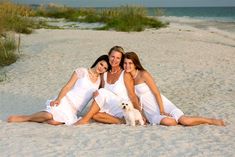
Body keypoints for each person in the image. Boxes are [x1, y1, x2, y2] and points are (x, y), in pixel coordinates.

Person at [123, 51, 225, 126]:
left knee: (184, 121)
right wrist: (142, 115)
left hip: (161, 104)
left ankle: (210, 121)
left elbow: (156, 93)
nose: (127, 66)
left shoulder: (143, 74)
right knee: (170, 122)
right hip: (150, 111)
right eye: (125, 63)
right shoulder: (128, 78)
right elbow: (134, 98)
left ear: (135, 63)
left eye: (130, 63)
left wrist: (162, 110)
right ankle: (172, 119)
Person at [7, 55, 110, 125]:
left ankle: (45, 118)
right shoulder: (82, 71)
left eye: (105, 68)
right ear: (97, 61)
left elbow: (100, 96)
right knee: (48, 116)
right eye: (101, 64)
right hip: (65, 101)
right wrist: (59, 99)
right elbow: (67, 86)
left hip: (74, 110)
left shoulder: (100, 81)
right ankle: (26, 118)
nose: (101, 68)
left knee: (53, 122)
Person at [74, 46, 144, 125]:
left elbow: (132, 95)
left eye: (118, 58)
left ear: (121, 59)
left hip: (123, 107)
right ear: (109, 56)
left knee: (102, 92)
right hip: (111, 107)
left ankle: (85, 119)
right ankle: (122, 121)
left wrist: (140, 114)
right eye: (112, 57)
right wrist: (95, 94)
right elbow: (100, 96)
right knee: (94, 114)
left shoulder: (125, 74)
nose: (114, 60)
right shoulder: (104, 74)